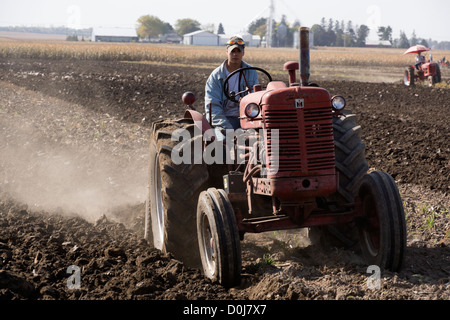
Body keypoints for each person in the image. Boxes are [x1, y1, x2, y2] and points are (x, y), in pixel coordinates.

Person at [205, 36, 259, 134]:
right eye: (232, 51)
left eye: (238, 51)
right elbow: (213, 105)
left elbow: (255, 98)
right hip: (225, 118)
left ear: (243, 52)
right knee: (221, 142)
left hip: (246, 117)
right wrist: (226, 127)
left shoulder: (251, 72)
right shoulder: (216, 76)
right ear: (227, 52)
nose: (235, 54)